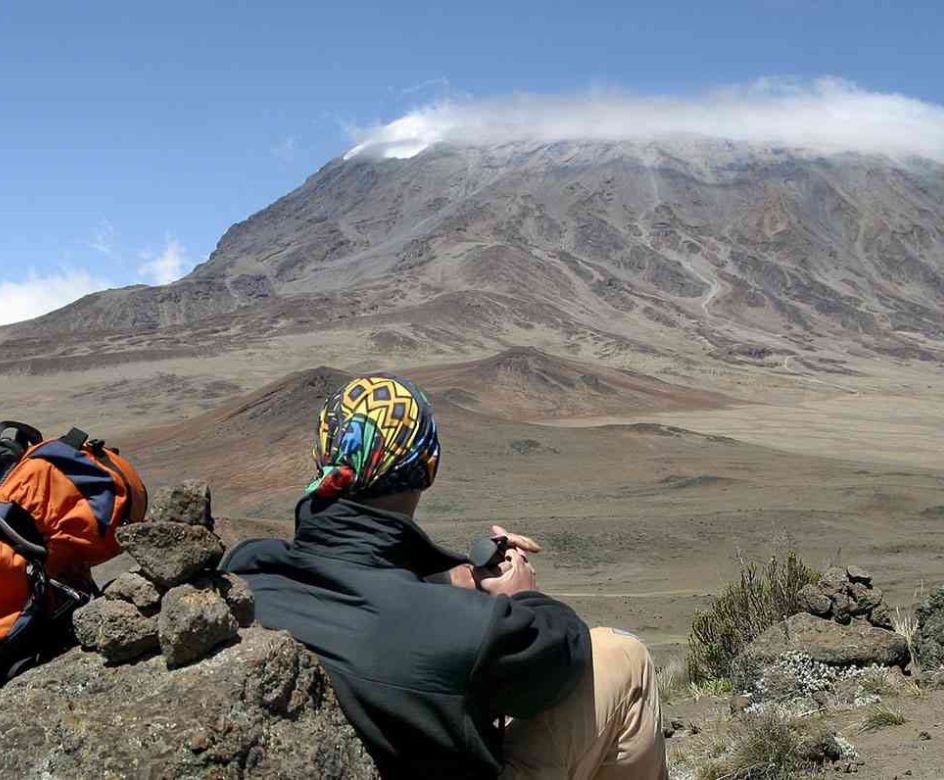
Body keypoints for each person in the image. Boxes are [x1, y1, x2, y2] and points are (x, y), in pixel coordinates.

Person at [223, 374, 666, 778]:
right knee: (622, 657)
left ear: (322, 458)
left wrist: (453, 582)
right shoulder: (461, 630)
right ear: (428, 466)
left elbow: (361, 594)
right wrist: (520, 599)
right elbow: (559, 660)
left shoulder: (247, 571)